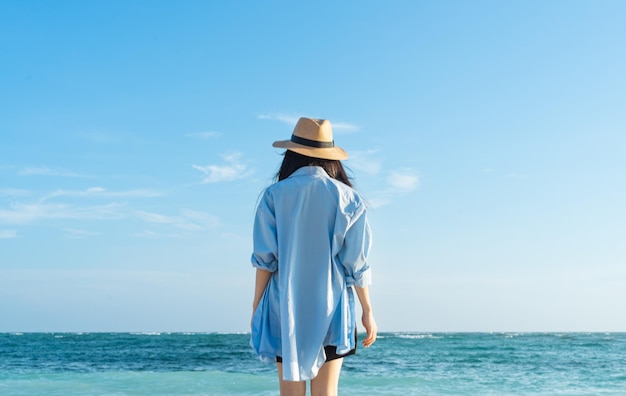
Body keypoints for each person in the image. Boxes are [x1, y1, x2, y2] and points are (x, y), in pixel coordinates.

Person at [250, 117, 377, 396]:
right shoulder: (349, 199)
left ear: (291, 154)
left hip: (283, 308)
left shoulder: (273, 196)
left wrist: (256, 307)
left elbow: (265, 261)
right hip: (333, 310)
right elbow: (356, 264)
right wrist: (367, 311)